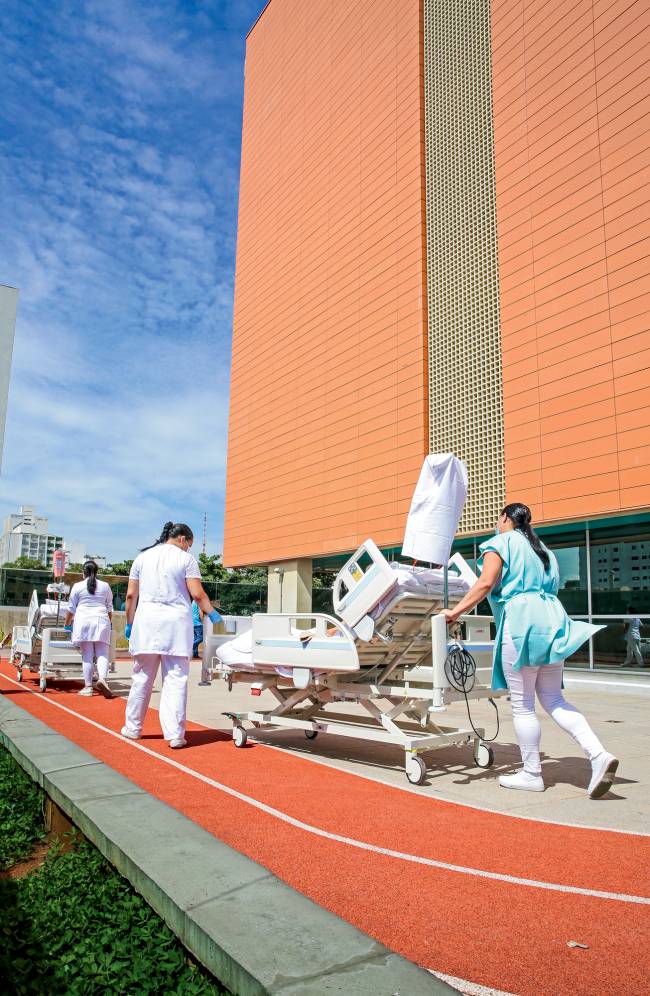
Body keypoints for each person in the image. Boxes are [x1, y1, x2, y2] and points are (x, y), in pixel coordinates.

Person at [443, 502, 619, 799]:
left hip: (522, 621)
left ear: (504, 519)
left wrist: (455, 613)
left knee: (523, 704)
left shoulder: (499, 543)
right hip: (553, 620)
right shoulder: (543, 550)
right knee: (553, 697)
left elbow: (485, 583)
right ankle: (598, 754)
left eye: (498, 520)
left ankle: (532, 773)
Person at [121, 522, 221, 748]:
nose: (188, 550)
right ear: (183, 539)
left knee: (141, 678)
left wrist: (129, 623)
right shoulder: (186, 559)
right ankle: (175, 734)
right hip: (176, 625)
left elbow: (130, 596)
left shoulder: (142, 558)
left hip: (146, 623)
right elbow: (197, 594)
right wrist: (214, 615)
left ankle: (133, 728)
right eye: (189, 545)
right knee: (176, 680)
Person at [64, 562, 114, 698]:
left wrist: (67, 624)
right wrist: (109, 623)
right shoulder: (105, 586)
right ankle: (103, 679)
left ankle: (88, 687)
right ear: (97, 572)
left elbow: (71, 609)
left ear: (83, 572)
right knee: (103, 654)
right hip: (101, 620)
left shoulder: (77, 586)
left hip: (83, 621)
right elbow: (109, 608)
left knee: (87, 655)